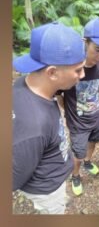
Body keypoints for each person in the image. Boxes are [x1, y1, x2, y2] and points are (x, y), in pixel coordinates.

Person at [13, 22, 86, 214]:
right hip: (46, 190)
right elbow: (13, 178)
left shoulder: (25, 83)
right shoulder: (34, 126)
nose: (82, 74)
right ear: (52, 72)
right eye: (78, 70)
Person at [60, 18, 99, 197]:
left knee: (94, 141)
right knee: (78, 152)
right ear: (85, 42)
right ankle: (75, 175)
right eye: (97, 49)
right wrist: (69, 111)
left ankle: (88, 161)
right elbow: (58, 94)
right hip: (78, 122)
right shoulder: (71, 68)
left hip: (96, 115)